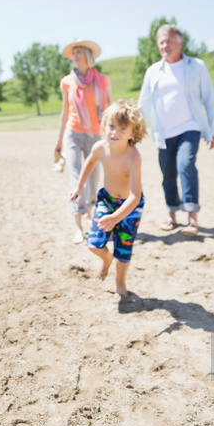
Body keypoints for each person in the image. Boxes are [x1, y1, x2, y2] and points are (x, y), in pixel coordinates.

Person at [138, 24, 214, 236]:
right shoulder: (153, 71)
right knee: (168, 174)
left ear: (180, 43)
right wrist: (135, 130)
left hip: (190, 127)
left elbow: (209, 98)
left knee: (186, 165)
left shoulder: (196, 66)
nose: (165, 45)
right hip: (163, 132)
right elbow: (144, 103)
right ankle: (172, 215)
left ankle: (192, 218)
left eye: (170, 41)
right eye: (162, 42)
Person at [69, 100, 147, 300]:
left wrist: (116, 218)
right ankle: (106, 259)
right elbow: (90, 162)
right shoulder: (100, 147)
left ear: (133, 133)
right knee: (94, 243)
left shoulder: (133, 157)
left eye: (123, 128)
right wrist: (79, 186)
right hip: (107, 201)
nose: (115, 132)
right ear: (104, 126)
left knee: (124, 248)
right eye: (112, 126)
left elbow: (135, 195)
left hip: (130, 207)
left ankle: (120, 283)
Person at [55, 39, 113, 244]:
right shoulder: (66, 81)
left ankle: (90, 214)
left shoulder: (102, 80)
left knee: (93, 178)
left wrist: (110, 135)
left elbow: (109, 109)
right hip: (73, 133)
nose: (75, 55)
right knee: (76, 178)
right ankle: (78, 227)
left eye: (79, 51)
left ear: (88, 55)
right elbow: (65, 112)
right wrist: (59, 140)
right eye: (74, 52)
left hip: (96, 133)